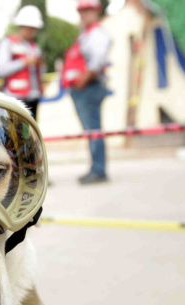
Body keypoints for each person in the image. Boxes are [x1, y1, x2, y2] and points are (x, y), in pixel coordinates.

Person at [63, 0, 111, 184]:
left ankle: (98, 170)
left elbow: (97, 62)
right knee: (91, 130)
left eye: (87, 10)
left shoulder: (97, 33)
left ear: (97, 11)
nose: (83, 15)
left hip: (89, 88)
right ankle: (96, 168)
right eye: (81, 11)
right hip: (84, 89)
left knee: (93, 131)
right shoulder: (86, 33)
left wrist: (82, 82)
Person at [0, 5, 45, 120]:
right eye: (30, 27)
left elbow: (40, 71)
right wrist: (24, 62)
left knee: (31, 135)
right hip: (15, 98)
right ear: (21, 25)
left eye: (34, 28)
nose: (32, 31)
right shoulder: (7, 43)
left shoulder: (35, 47)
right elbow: (1, 70)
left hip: (34, 97)